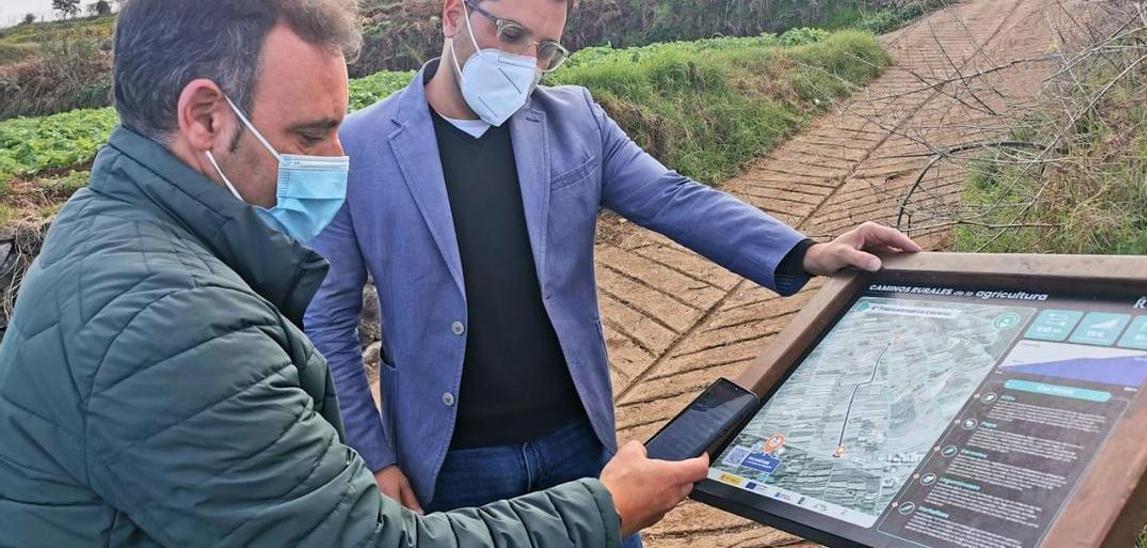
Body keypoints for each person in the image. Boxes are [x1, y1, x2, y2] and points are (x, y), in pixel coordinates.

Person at [0, 1, 707, 546]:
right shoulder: (173, 326)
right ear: (206, 118)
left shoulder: (116, 234)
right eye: (310, 135)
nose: (340, 159)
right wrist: (604, 508)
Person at [304, 0, 922, 543]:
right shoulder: (360, 148)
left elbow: (673, 199)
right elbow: (327, 319)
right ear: (452, 14)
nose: (525, 62)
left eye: (546, 49)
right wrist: (374, 458)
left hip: (580, 439)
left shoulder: (576, 121)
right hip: (451, 462)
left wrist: (805, 252)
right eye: (512, 34)